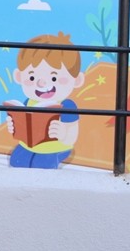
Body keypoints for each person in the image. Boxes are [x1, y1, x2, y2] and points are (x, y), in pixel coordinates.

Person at [5, 32, 85, 168]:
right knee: (16, 161)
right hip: (28, 146)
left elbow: (72, 133)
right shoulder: (28, 102)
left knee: (42, 166)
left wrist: (63, 133)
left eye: (54, 78)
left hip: (55, 148)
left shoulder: (66, 105)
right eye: (32, 78)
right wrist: (13, 126)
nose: (42, 84)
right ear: (19, 77)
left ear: (77, 80)